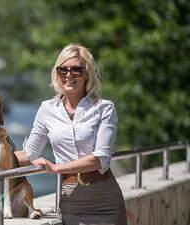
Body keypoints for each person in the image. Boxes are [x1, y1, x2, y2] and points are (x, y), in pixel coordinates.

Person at [15, 44, 127, 225]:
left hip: (106, 202)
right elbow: (30, 154)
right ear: (57, 74)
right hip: (71, 202)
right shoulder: (47, 109)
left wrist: (55, 167)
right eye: (63, 70)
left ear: (87, 74)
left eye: (76, 70)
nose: (68, 75)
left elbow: (101, 158)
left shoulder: (104, 108)